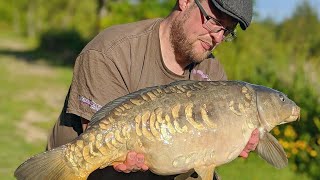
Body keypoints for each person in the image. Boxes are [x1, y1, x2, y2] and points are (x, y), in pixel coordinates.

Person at [47, 0, 258, 179]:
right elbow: (97, 143)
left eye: (228, 31)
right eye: (214, 22)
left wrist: (231, 140)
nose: (218, 38)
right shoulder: (111, 51)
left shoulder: (211, 72)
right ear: (185, 1)